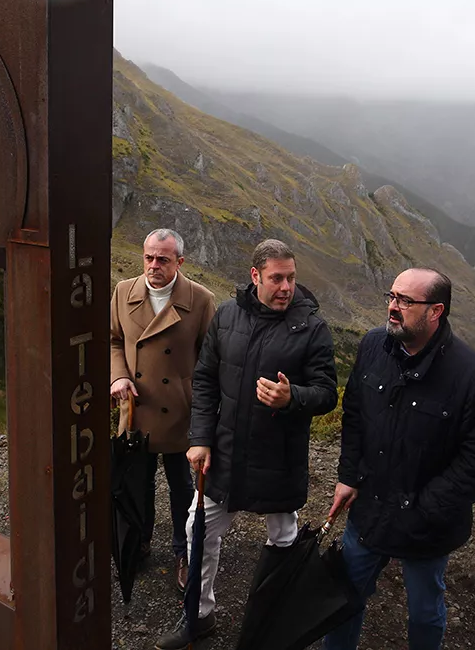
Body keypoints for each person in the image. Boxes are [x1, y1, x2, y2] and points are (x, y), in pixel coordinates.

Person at [154, 239, 338, 650]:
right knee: (198, 530)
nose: (286, 287)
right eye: (277, 278)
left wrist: (294, 398)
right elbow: (204, 381)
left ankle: (271, 625)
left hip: (279, 459)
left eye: (291, 277)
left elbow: (327, 393)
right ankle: (197, 616)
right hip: (225, 454)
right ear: (255, 276)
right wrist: (200, 439)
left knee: (284, 538)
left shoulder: (312, 327)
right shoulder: (227, 316)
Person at [324, 268, 475, 650]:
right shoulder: (373, 346)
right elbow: (354, 414)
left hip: (427, 525)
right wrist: (348, 476)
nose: (393, 307)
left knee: (424, 612)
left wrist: (425, 507)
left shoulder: (473, 376)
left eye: (406, 301)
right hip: (369, 510)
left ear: (436, 311)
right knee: (342, 601)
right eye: (392, 296)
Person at [110, 228, 216, 592]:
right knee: (136, 484)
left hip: (181, 414)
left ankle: (184, 551)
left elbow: (210, 361)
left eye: (163, 259)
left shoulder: (201, 300)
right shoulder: (124, 291)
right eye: (149, 257)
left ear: (180, 262)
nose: (154, 265)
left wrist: (204, 411)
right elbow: (113, 340)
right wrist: (119, 377)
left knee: (182, 489)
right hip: (136, 410)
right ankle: (138, 542)